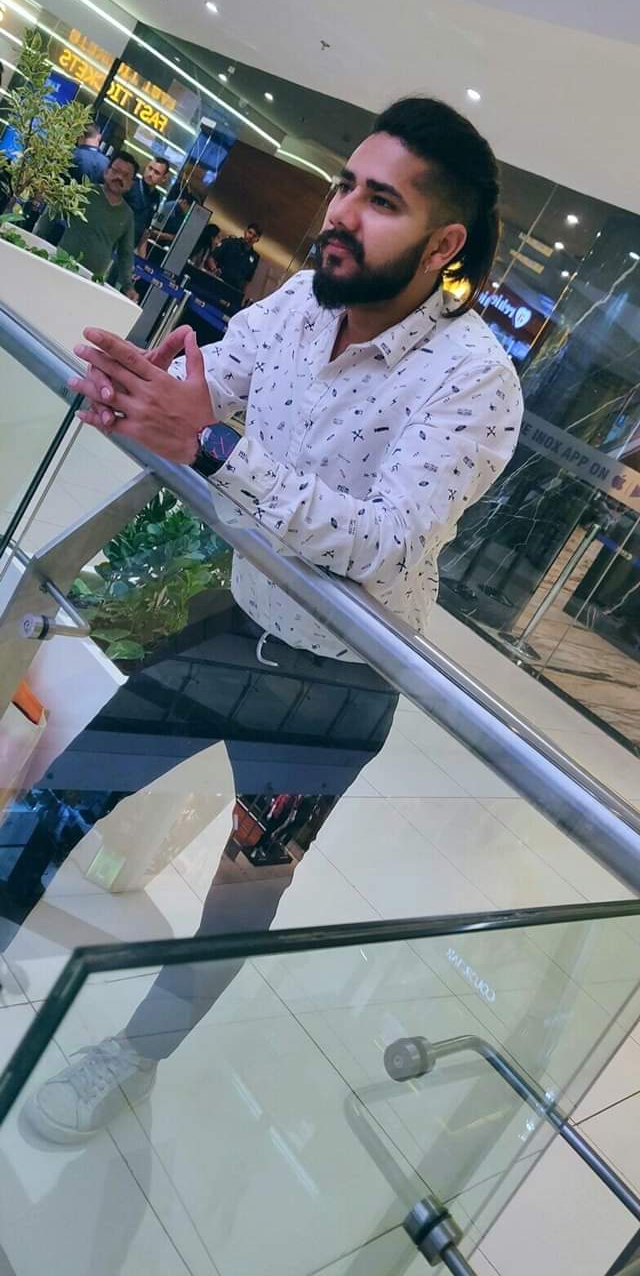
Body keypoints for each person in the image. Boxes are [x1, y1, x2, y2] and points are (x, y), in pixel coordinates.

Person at [9, 96, 523, 1142]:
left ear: (443, 245)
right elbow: (217, 383)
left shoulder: (475, 382)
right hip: (230, 608)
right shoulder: (301, 304)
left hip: (336, 682)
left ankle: (136, 1055)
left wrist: (208, 444)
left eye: (380, 202)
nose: (342, 212)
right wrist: (147, 391)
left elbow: (386, 542)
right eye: (346, 185)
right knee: (69, 791)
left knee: (240, 896)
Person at [35, 151, 138, 295]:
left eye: (126, 176)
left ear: (131, 184)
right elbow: (50, 215)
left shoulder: (127, 215)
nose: (119, 177)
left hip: (91, 283)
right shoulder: (84, 192)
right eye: (116, 171)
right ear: (106, 172)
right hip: (61, 266)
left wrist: (128, 286)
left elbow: (125, 253)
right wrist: (36, 244)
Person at [125, 156, 170, 252]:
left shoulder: (156, 198)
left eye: (156, 173)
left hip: (130, 247)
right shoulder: (130, 185)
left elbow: (145, 231)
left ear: (164, 178)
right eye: (150, 168)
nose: (150, 174)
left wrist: (142, 258)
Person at [212, 222, 261, 296]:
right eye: (250, 233)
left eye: (254, 236)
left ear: (257, 239)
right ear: (245, 232)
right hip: (219, 282)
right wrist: (214, 269)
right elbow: (212, 257)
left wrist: (242, 295)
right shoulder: (230, 242)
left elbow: (247, 280)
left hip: (234, 290)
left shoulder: (254, 257)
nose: (251, 237)